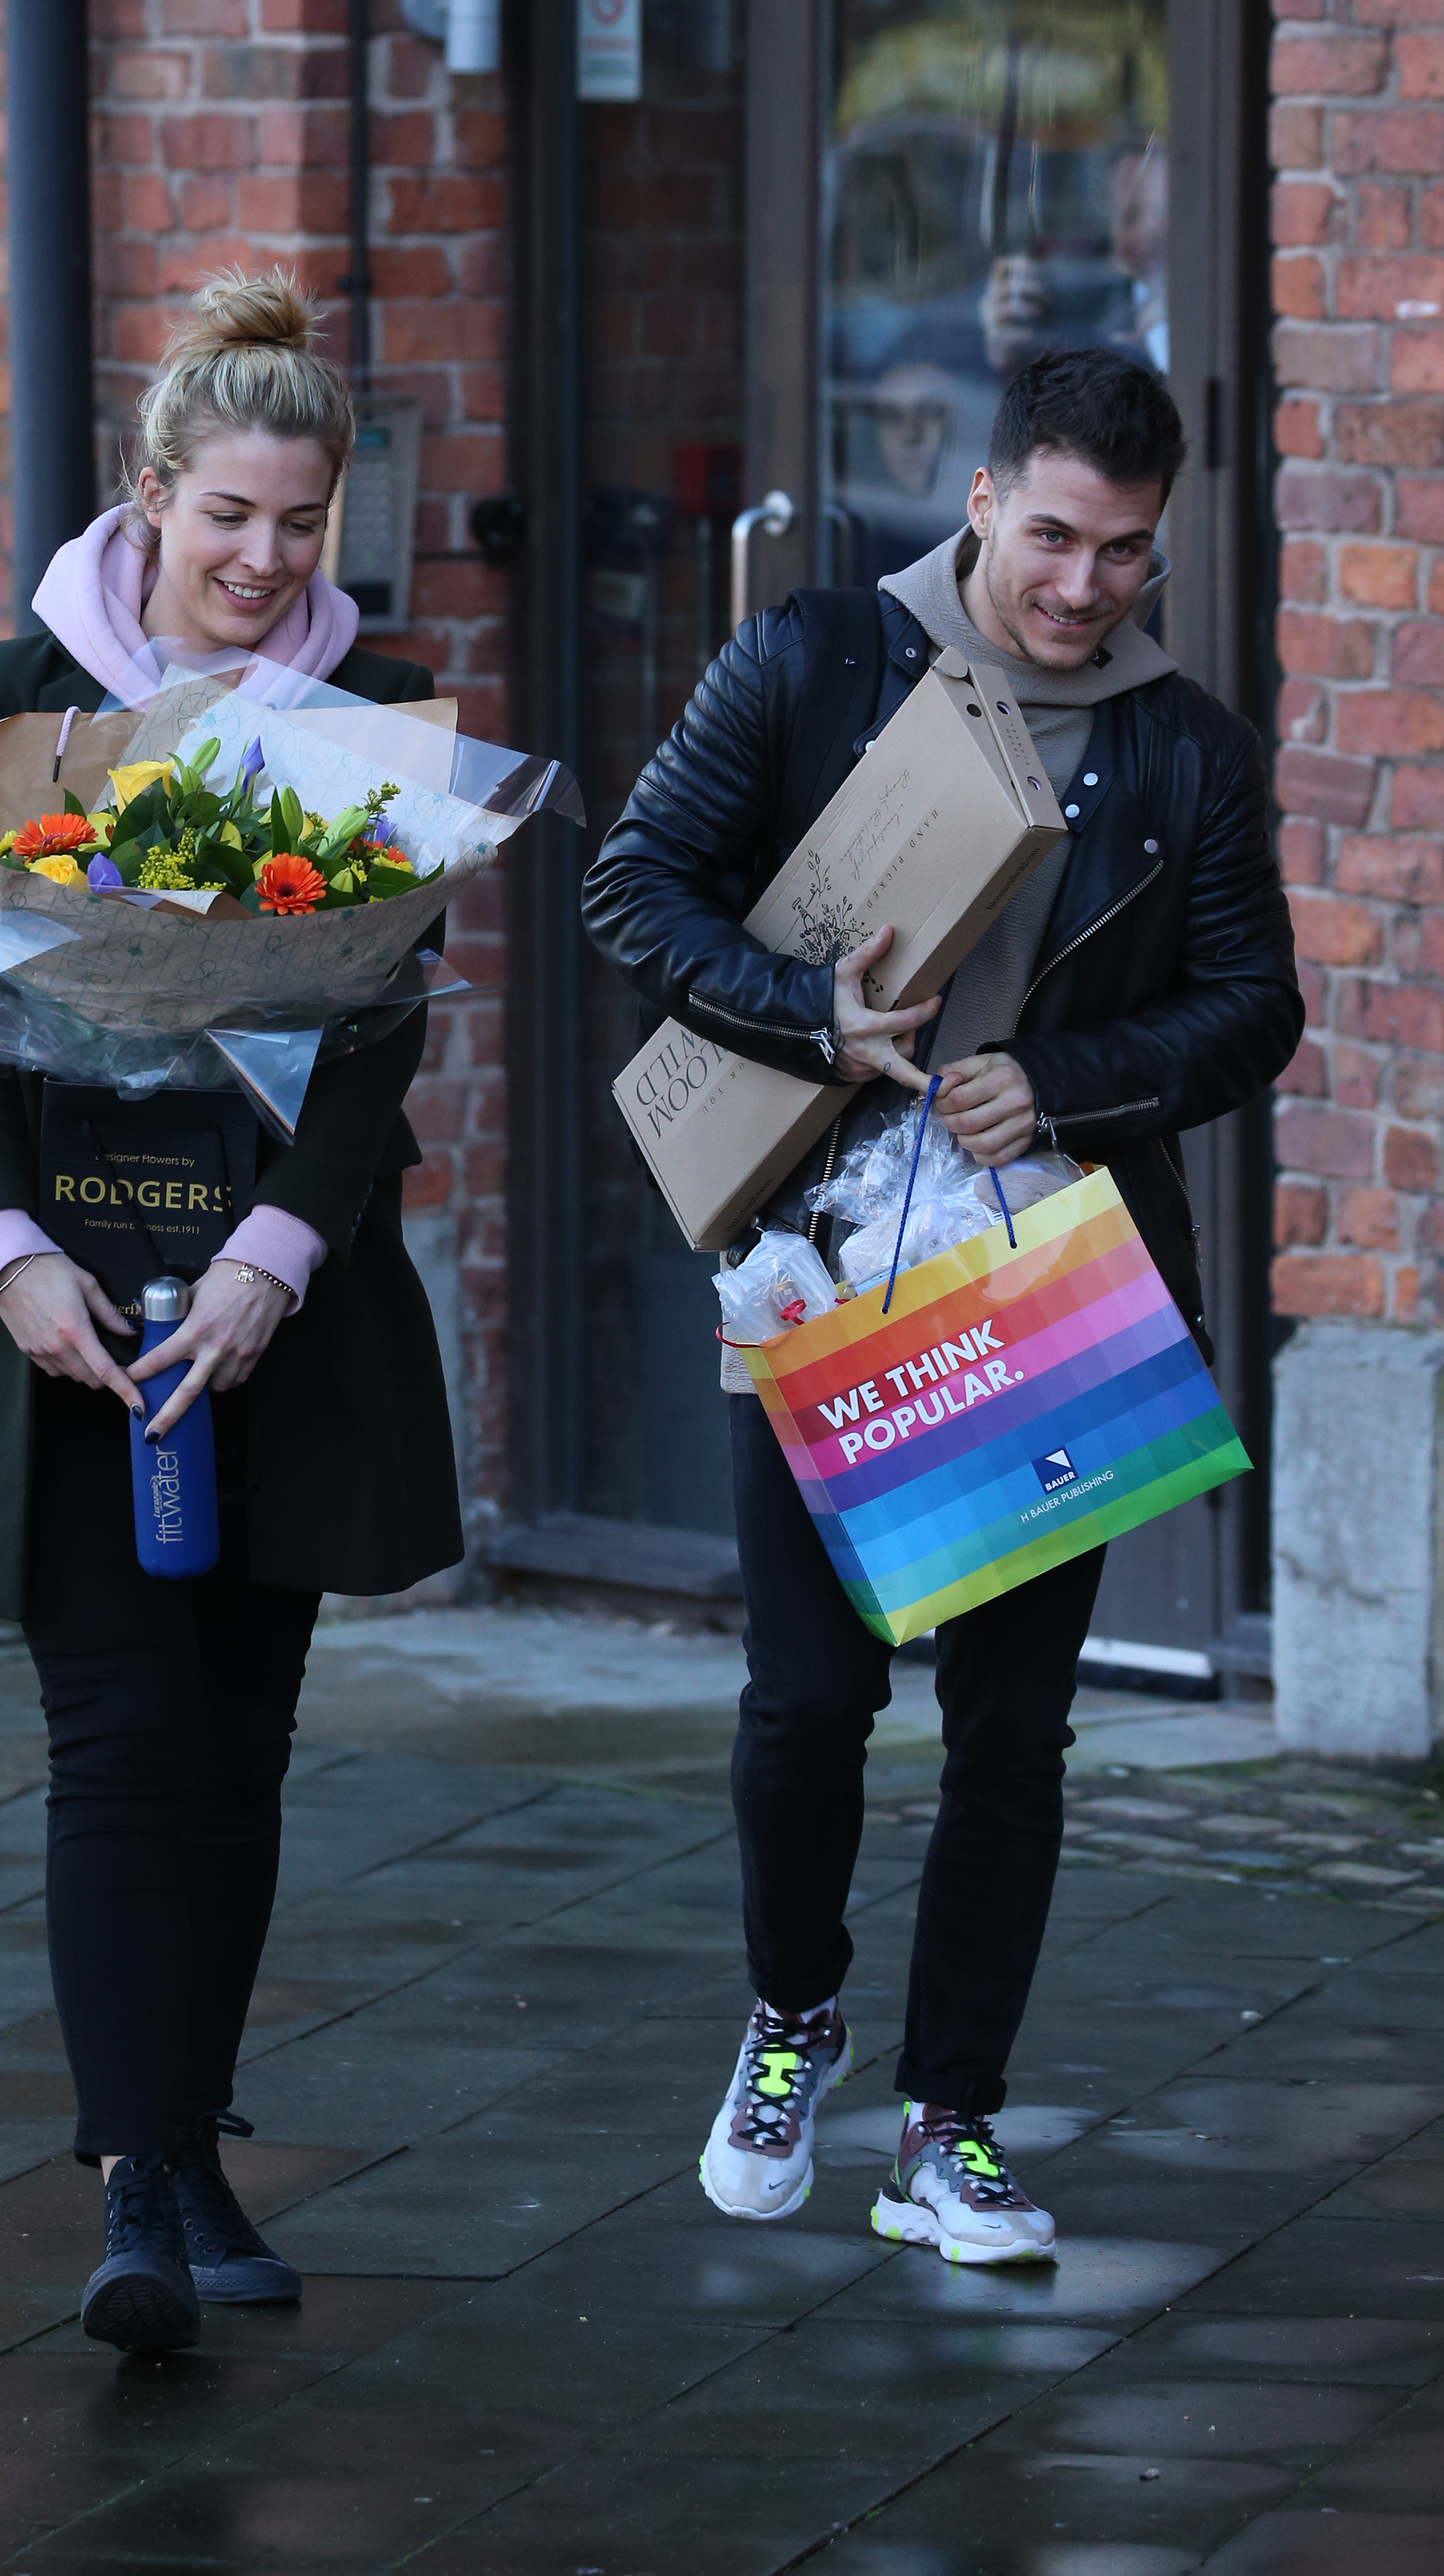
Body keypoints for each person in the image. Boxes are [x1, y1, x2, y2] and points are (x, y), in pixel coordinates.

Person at [581, 348, 1301, 2264]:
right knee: (809, 1701)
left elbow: (1255, 1010)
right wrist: (808, 1013)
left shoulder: (1187, 748)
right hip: (813, 1253)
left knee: (1013, 1731)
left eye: (1127, 555)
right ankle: (793, 2014)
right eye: (1053, 535)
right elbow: (632, 883)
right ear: (984, 500)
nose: (1084, 588)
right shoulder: (817, 657)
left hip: (1052, 1275)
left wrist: (1062, 1083)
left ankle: (951, 2129)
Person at [0, 268, 461, 2351]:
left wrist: (273, 1254)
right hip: (66, 1315)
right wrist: (13, 1260)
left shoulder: (374, 720)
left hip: (268, 1311)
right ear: (151, 494)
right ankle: (138, 2187)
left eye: (301, 524)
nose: (264, 560)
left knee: (239, 1743)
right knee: (120, 1732)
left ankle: (196, 2139)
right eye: (232, 514)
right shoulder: (23, 698)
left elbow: (379, 1036)